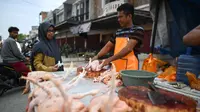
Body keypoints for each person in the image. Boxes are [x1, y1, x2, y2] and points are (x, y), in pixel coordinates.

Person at [92, 3, 144, 72]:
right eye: (118, 17)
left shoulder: (137, 30)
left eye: (121, 17)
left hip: (130, 70)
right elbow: (108, 46)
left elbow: (128, 49)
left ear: (129, 16)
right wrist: (97, 56)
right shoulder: (118, 32)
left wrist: (109, 59)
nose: (118, 19)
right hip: (116, 68)